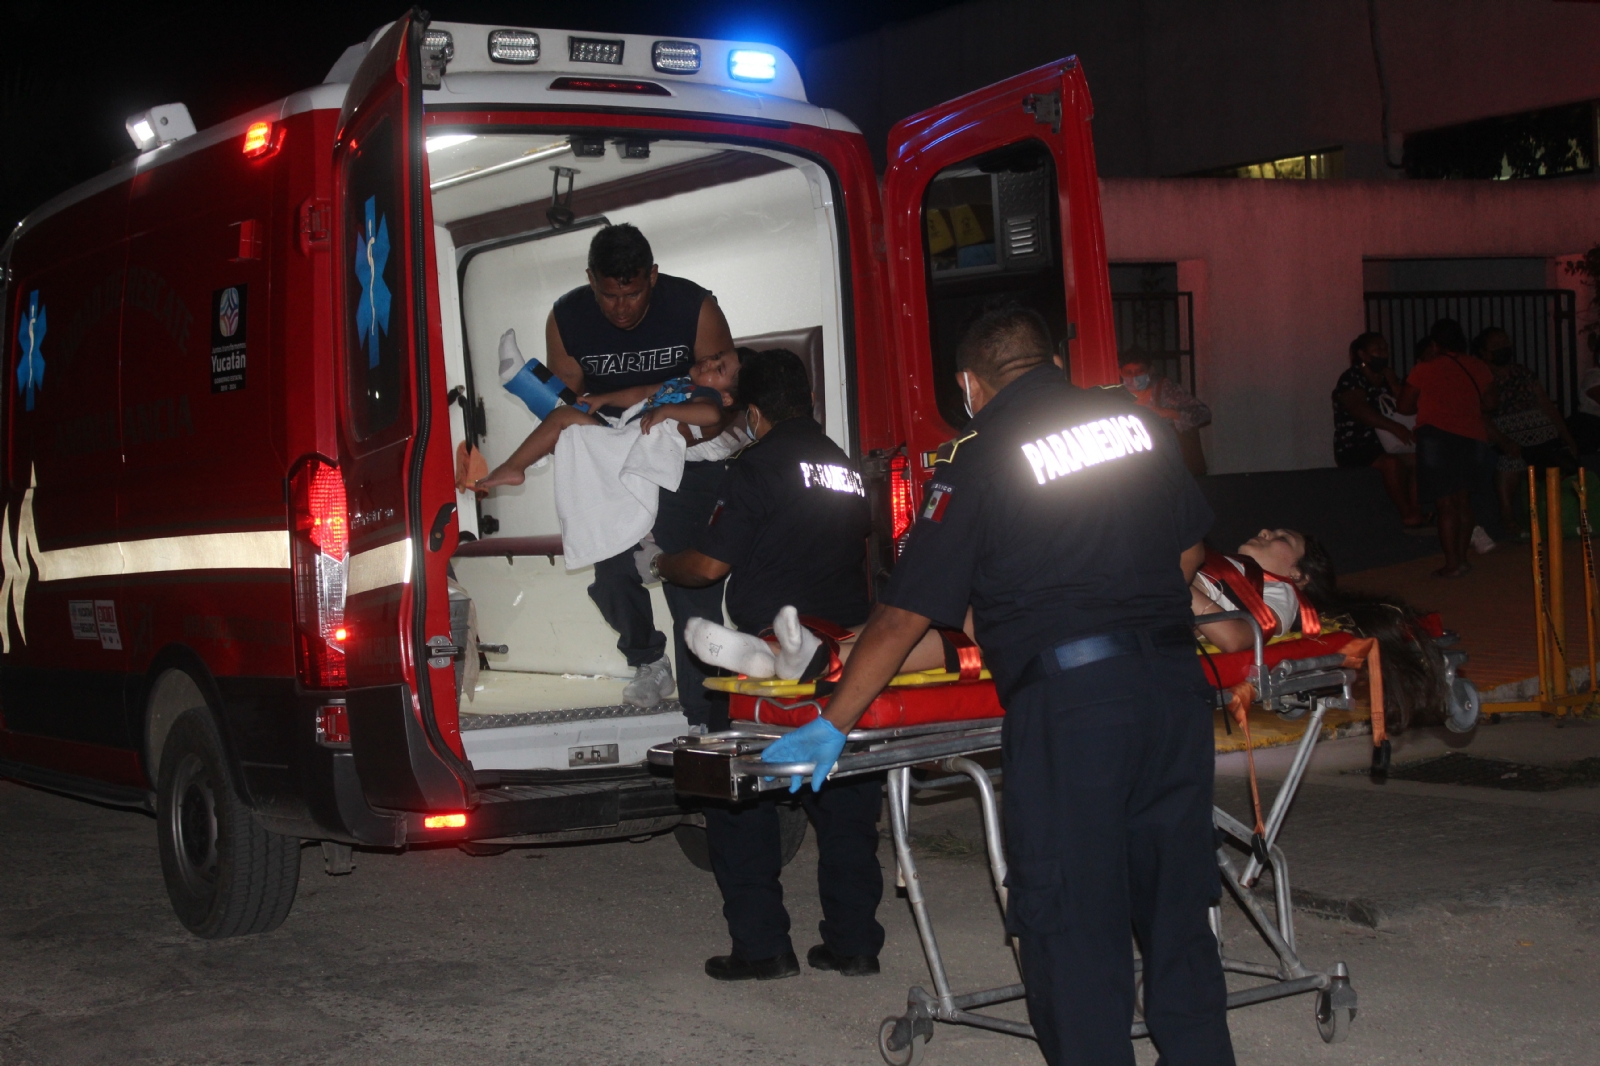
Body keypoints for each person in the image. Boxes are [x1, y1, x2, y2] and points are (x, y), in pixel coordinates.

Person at [762, 306, 1234, 1064]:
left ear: (969, 384)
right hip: (1174, 692)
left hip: (1075, 710)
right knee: (1177, 914)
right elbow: (1189, 548)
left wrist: (834, 721)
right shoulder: (1136, 427)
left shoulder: (978, 458)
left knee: (1072, 925)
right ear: (1053, 359)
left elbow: (902, 617)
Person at [648, 348, 886, 983]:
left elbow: (708, 567)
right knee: (844, 799)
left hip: (772, 661)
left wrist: (664, 560)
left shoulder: (755, 466)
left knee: (738, 797)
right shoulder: (842, 466)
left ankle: (762, 949)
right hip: (843, 653)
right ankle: (854, 943)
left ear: (753, 413)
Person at [535, 222, 737, 718]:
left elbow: (724, 389)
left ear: (653, 275)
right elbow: (567, 399)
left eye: (633, 293)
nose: (621, 308)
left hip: (687, 454)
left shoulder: (695, 307)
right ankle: (647, 659)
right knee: (608, 570)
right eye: (608, 296)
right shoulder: (567, 316)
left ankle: (706, 715)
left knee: (689, 582)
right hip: (617, 453)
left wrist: (686, 433)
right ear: (591, 281)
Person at [475, 347, 742, 490]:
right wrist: (605, 398)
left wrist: (666, 411)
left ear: (727, 397)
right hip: (621, 435)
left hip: (627, 448)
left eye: (719, 369)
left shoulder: (709, 397)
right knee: (573, 412)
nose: (708, 362)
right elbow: (640, 393)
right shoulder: (683, 383)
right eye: (716, 356)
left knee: (564, 416)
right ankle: (522, 378)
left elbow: (710, 415)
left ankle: (514, 466)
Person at [1399, 319, 1497, 578]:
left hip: (1437, 438)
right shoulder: (1478, 366)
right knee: (1464, 501)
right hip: (1472, 437)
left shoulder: (1424, 369)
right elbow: (1490, 402)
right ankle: (1462, 559)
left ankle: (1452, 562)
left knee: (1445, 504)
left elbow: (1405, 406)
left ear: (1435, 343)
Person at [1476, 327, 1578, 527]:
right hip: (1507, 438)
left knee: (1565, 464)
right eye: (1496, 345)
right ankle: (1508, 516)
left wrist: (1568, 437)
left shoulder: (1522, 373)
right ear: (1484, 352)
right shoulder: (1481, 377)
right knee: (1510, 462)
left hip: (1543, 437)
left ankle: (1558, 519)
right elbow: (1480, 414)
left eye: (1505, 343)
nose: (1503, 348)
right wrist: (1504, 441)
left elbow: (1546, 404)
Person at [1332, 332, 1424, 528]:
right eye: (1378, 349)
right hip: (1357, 444)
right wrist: (1394, 427)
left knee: (1420, 459)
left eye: (1385, 348)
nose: (1383, 353)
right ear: (1363, 354)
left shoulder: (1388, 377)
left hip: (1389, 442)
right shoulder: (1351, 378)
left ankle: (1416, 511)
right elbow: (1358, 409)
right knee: (1391, 463)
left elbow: (1406, 406)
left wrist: (1393, 382)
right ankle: (1406, 513)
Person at [1118, 352, 1211, 476]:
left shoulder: (1165, 390)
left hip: (1173, 468)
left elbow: (1203, 413)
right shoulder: (1118, 396)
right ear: (1120, 372)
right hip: (1142, 470)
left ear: (1150, 370)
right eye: (1129, 372)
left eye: (1140, 371)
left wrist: (1168, 413)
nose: (1134, 376)